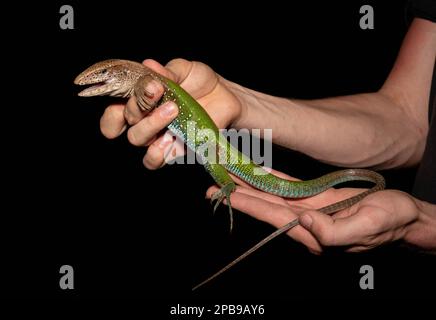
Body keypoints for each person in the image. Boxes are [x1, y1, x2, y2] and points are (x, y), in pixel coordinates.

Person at [98, 10, 436, 253]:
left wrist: (424, 223)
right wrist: (241, 104)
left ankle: (228, 183)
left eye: (103, 75)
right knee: (211, 156)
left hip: (216, 152)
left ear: (118, 74)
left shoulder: (146, 83)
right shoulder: (150, 86)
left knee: (215, 163)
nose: (95, 81)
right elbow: (409, 119)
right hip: (212, 141)